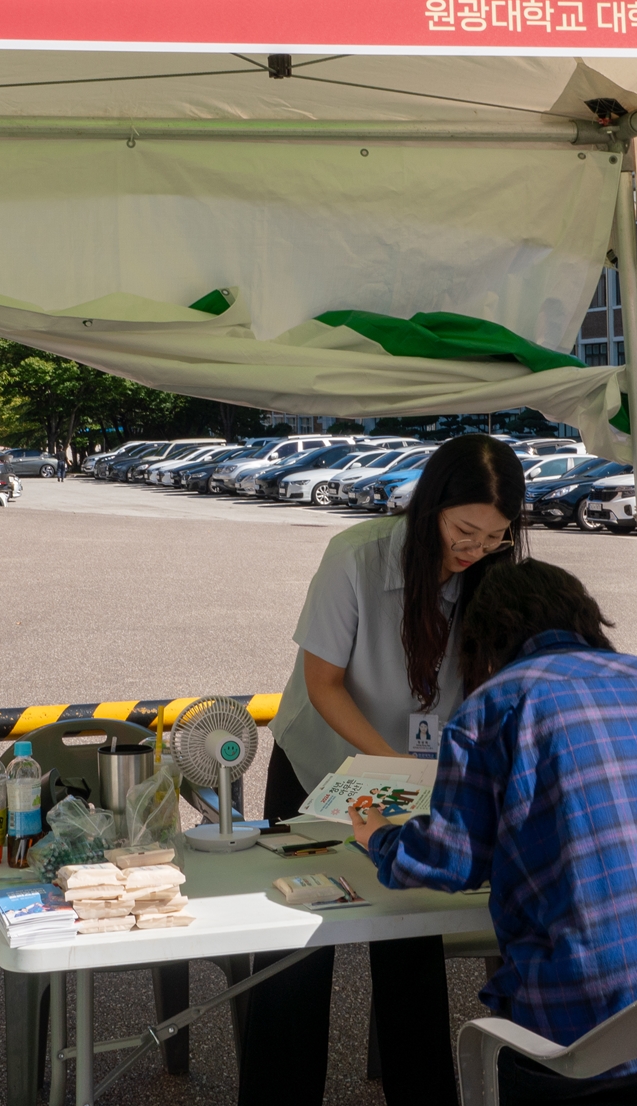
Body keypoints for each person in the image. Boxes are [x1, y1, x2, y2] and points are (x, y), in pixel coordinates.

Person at [348, 559, 637, 1106]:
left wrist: (380, 838)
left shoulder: (491, 709)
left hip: (601, 1041)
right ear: (586, 619)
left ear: (485, 643)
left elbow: (451, 860)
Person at [242, 433, 528, 1106]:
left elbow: (489, 688)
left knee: (409, 943)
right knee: (297, 948)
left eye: (494, 538)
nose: (474, 551)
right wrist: (391, 764)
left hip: (414, 776)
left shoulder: (490, 574)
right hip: (320, 767)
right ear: (431, 508)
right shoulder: (356, 557)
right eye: (464, 531)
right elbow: (324, 683)